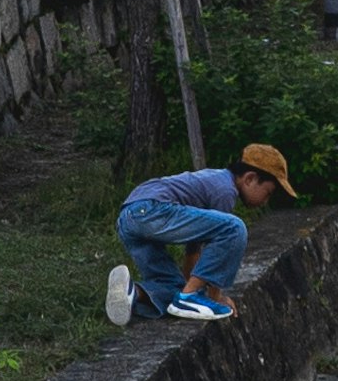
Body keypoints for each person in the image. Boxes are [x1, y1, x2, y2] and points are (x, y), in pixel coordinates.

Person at [106, 141, 297, 331]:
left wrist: (189, 286)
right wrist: (215, 298)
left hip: (129, 218)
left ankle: (131, 293)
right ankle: (188, 298)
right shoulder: (225, 191)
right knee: (235, 228)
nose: (265, 201)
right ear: (249, 179)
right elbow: (219, 249)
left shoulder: (213, 182)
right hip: (150, 210)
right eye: (268, 193)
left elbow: (194, 250)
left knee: (174, 288)